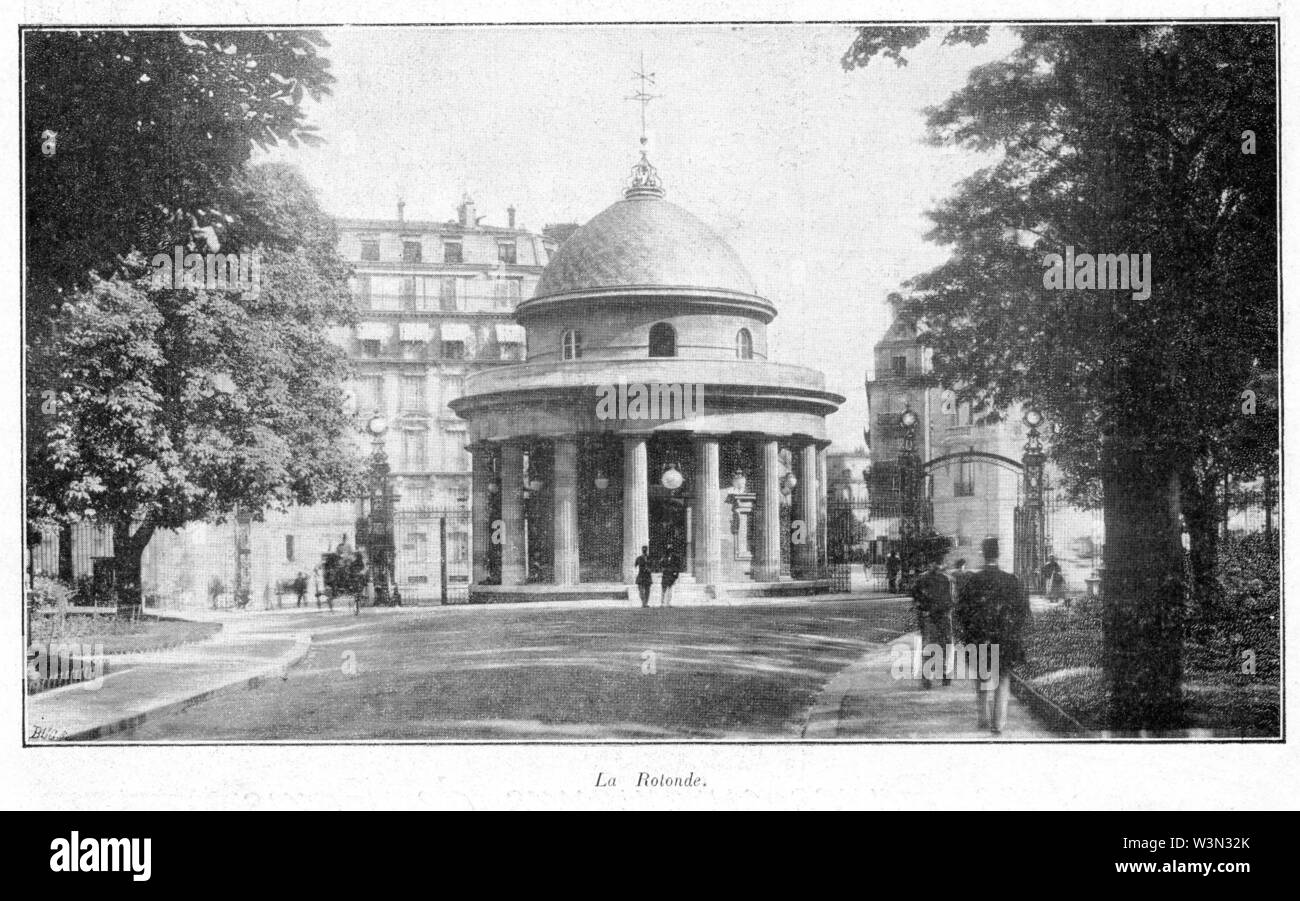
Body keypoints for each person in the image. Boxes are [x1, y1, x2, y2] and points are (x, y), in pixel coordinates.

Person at [956, 537, 1032, 736]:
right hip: (1005, 639)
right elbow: (1023, 611)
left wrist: (968, 632)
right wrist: (1014, 631)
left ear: (983, 554)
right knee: (1003, 679)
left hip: (979, 637)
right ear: (998, 555)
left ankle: (983, 718)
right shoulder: (1011, 580)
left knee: (982, 678)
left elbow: (962, 611)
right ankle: (997, 724)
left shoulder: (973, 580)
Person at [911, 559, 955, 687]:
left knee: (928, 646)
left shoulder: (922, 579)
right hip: (943, 616)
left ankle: (928, 677)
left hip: (929, 616)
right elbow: (952, 600)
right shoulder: (948, 579)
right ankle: (945, 674)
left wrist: (922, 610)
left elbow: (915, 598)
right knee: (946, 645)